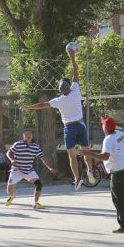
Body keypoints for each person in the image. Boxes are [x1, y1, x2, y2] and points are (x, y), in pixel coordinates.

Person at [21, 47, 94, 191]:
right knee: (86, 151)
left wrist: (29, 107)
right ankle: (90, 170)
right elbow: (75, 72)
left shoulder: (58, 100)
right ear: (69, 87)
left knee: (71, 155)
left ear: (60, 90)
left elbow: (43, 105)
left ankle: (77, 178)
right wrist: (72, 56)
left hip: (69, 128)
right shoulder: (75, 91)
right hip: (80, 125)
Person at [82, 118, 124, 233]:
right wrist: (119, 152)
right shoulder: (120, 134)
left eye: (102, 125)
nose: (102, 126)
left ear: (105, 128)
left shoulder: (108, 139)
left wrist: (86, 153)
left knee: (119, 200)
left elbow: (105, 156)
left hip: (118, 172)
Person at [5, 131, 57, 210]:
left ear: (32, 136)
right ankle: (12, 196)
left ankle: (36, 203)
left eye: (29, 134)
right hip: (16, 170)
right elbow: (8, 152)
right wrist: (12, 160)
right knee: (9, 189)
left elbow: (42, 158)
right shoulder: (18, 144)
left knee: (38, 184)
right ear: (23, 136)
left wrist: (49, 167)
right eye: (26, 135)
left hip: (29, 170)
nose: (28, 136)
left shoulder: (35, 146)